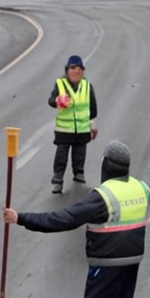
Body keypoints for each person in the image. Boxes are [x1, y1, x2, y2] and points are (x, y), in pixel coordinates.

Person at [2, 140, 150, 298]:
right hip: (133, 259)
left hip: (106, 259)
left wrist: (20, 218)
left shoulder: (102, 196)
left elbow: (62, 219)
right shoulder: (142, 188)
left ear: (107, 166)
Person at [50, 55, 98, 194]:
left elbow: (92, 108)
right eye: (73, 68)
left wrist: (92, 124)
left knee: (80, 153)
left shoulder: (87, 86)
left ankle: (79, 173)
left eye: (79, 69)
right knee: (61, 155)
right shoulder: (60, 84)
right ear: (67, 71)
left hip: (82, 129)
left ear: (83, 71)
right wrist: (58, 100)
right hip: (64, 129)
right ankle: (57, 180)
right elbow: (51, 100)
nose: (76, 71)